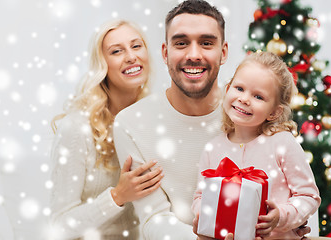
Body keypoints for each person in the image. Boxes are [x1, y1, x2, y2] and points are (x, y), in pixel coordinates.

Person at [114, 1, 312, 239]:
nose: (194, 54)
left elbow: (302, 194)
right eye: (181, 43)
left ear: (223, 52)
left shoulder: (254, 116)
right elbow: (154, 218)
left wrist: (290, 221)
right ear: (166, 53)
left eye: (206, 43)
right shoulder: (131, 123)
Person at [49, 19, 163, 240]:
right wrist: (117, 196)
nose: (131, 56)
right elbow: (59, 227)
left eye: (136, 46)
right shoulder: (77, 128)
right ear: (102, 64)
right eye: (116, 51)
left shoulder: (153, 120)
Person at [192, 51, 321, 240]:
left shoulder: (282, 143)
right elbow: (200, 197)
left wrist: (281, 216)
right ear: (227, 89)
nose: (244, 99)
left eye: (258, 97)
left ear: (274, 112)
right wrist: (202, 215)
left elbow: (308, 197)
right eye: (239, 88)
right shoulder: (213, 148)